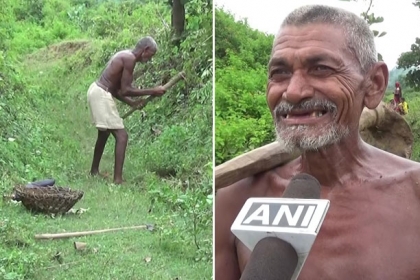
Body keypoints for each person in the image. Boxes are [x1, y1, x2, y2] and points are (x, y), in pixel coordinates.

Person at [215, 5, 420, 280]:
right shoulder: (235, 198)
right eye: (280, 72)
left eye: (321, 69)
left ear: (373, 84)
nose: (294, 91)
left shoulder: (413, 194)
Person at [87, 36, 166, 184]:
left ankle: (94, 171)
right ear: (145, 50)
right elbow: (126, 89)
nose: (150, 59)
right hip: (101, 94)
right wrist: (152, 91)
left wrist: (132, 103)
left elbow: (117, 90)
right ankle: (118, 179)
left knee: (104, 135)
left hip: (96, 90)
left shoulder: (125, 55)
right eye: (151, 55)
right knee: (122, 136)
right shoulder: (129, 59)